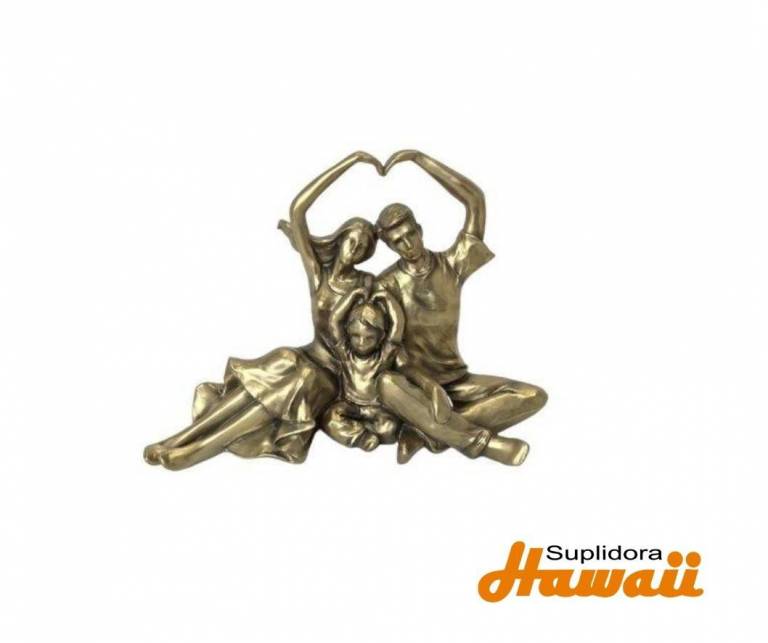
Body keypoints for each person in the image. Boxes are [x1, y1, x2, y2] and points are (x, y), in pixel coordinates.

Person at [143, 151, 383, 470]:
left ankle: (197, 451)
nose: (357, 248)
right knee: (263, 381)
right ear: (342, 238)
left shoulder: (366, 284)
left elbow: (377, 329)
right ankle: (179, 439)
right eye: (355, 239)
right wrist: (350, 162)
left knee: (294, 382)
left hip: (332, 376)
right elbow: (298, 211)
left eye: (365, 247)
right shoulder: (319, 275)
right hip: (304, 355)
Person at [374, 150, 548, 464]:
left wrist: (419, 159)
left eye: (410, 234)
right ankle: (472, 440)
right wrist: (426, 386)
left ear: (420, 229)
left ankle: (429, 431)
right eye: (398, 241)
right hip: (415, 386)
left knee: (532, 396)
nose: (408, 244)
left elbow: (475, 200)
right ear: (389, 246)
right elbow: (386, 349)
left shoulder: (452, 265)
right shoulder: (385, 285)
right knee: (385, 384)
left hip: (457, 380)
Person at [323, 286, 531, 465]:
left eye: (368, 338)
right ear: (348, 333)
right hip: (352, 408)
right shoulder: (345, 352)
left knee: (388, 400)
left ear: (381, 337)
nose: (361, 342)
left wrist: (387, 299)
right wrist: (354, 295)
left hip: (381, 410)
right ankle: (461, 439)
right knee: (331, 418)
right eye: (355, 336)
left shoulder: (386, 354)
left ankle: (430, 432)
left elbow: (397, 327)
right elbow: (334, 322)